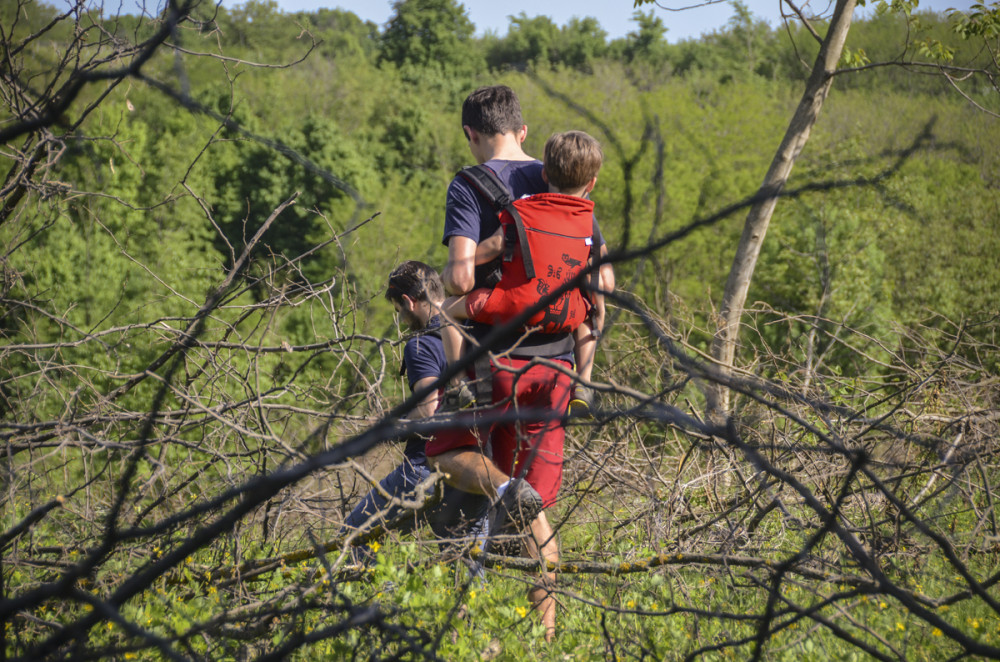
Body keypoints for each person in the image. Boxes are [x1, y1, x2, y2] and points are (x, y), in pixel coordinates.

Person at [425, 85, 615, 641]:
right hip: (554, 370)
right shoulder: (560, 180)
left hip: (494, 362)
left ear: (471, 134)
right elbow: (602, 278)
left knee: (453, 468)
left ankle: (459, 638)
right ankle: (547, 638)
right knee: (529, 510)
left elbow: (460, 278)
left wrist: (481, 259)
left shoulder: (469, 184)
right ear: (524, 132)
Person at [437, 129, 607, 418]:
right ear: (592, 182)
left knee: (445, 310)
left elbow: (491, 248)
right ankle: (584, 385)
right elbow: (599, 282)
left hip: (513, 304)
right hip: (563, 311)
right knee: (587, 316)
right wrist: (597, 313)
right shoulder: (586, 221)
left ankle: (457, 385)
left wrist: (457, 266)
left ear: (544, 175)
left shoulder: (523, 211)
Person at [341, 261, 489, 561]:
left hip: (426, 467)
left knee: (355, 539)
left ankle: (375, 606)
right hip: (478, 470)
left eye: (399, 310)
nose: (402, 318)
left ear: (408, 301)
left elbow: (427, 411)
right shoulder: (477, 333)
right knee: (465, 574)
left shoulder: (420, 344)